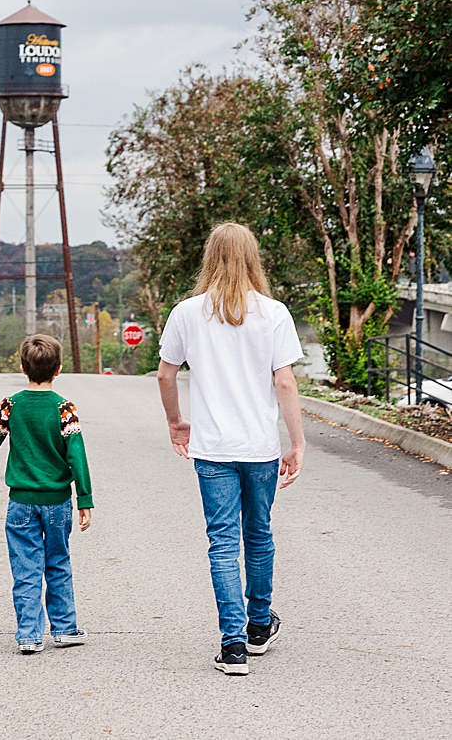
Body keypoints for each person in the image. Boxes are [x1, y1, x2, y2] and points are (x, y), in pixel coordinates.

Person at [157, 222, 305, 677]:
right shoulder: (274, 313)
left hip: (213, 448)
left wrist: (175, 423)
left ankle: (234, 646)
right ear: (252, 257)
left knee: (222, 544)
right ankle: (260, 626)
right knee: (258, 536)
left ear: (210, 256)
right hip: (259, 448)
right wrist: (296, 442)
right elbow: (284, 381)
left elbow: (165, 375)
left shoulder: (187, 312)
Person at [0, 333, 93, 654]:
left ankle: (29, 634)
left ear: (23, 368)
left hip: (21, 501)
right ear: (59, 370)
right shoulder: (64, 409)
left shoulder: (11, 405)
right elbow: (76, 455)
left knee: (26, 566)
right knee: (58, 561)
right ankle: (65, 628)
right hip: (57, 501)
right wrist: (85, 499)